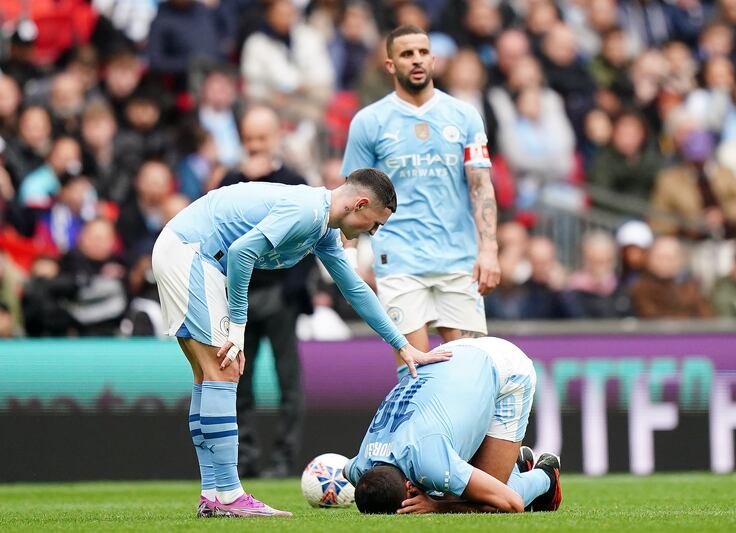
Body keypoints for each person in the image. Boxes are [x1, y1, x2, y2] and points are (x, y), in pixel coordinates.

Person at [151, 167, 449, 518]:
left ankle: (214, 493)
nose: (373, 231)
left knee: (208, 376)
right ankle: (228, 495)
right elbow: (242, 253)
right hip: (193, 256)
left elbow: (354, 289)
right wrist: (238, 326)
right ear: (361, 203)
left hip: (184, 251)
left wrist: (401, 344)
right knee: (224, 369)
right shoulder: (308, 212)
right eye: (375, 223)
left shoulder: (322, 227)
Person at [341, 25, 500, 355]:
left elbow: (481, 186)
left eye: (422, 52)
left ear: (433, 59)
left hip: (458, 259)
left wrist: (489, 250)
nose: (416, 60)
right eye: (406, 54)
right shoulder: (370, 121)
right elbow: (350, 196)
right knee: (415, 368)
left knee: (468, 368)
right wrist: (349, 257)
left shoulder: (465, 116)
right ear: (390, 65)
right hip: (399, 260)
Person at [343, 336, 561, 515]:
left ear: (409, 488)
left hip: (506, 367)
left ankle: (546, 476)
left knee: (486, 502)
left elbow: (512, 503)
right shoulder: (360, 466)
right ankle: (515, 466)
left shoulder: (429, 461)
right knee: (450, 489)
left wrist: (436, 507)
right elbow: (345, 469)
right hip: (453, 356)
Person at [216, 105, 312, 479]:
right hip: (238, 296)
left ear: (275, 138)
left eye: (261, 137)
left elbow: (311, 236)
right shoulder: (229, 180)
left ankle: (286, 460)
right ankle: (246, 460)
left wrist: (292, 289)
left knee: (290, 382)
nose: (255, 145)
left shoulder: (294, 180)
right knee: (239, 383)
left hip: (281, 297)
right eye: (249, 138)